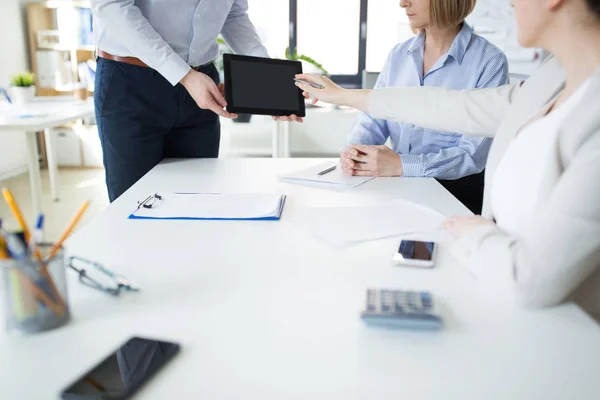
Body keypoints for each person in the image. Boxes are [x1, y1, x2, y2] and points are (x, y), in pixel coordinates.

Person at [294, 0, 600, 321]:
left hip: (559, 328)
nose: (509, 2)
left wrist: (475, 231)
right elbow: (450, 106)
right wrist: (342, 96)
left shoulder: (498, 64)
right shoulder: (548, 81)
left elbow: (531, 278)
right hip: (496, 291)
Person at [92, 0, 302, 202]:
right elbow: (110, 4)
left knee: (198, 200)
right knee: (135, 205)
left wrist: (266, 74)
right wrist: (183, 75)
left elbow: (234, 14)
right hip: (131, 81)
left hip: (200, 83)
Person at [344, 0, 508, 214]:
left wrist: (402, 165)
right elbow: (373, 119)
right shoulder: (398, 55)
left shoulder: (489, 61)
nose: (403, 3)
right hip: (396, 188)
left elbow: (473, 155)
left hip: (456, 198)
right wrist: (354, 151)